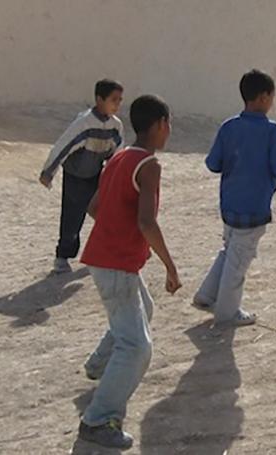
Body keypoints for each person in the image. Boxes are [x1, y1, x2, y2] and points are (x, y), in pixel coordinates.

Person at [75, 95, 181, 449]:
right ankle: (98, 419)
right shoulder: (149, 165)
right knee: (137, 347)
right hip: (116, 264)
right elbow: (147, 222)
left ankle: (99, 364)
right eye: (169, 124)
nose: (169, 131)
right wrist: (170, 265)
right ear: (161, 124)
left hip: (105, 259)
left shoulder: (120, 157)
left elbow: (94, 207)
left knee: (143, 310)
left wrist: (116, 235)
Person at [192, 69, 276, 327]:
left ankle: (207, 295)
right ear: (262, 98)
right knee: (239, 260)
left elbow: (213, 163)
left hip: (229, 203)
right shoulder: (272, 132)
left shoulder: (229, 127)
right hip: (255, 205)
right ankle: (227, 312)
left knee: (230, 250)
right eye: (271, 96)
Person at [40, 79, 124, 274]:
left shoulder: (115, 126)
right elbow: (63, 147)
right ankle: (62, 257)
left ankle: (104, 252)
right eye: (114, 99)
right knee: (72, 217)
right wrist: (48, 172)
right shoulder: (84, 123)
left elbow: (117, 154)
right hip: (76, 177)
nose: (118, 104)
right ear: (99, 99)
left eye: (120, 100)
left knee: (106, 213)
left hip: (97, 175)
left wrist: (115, 178)